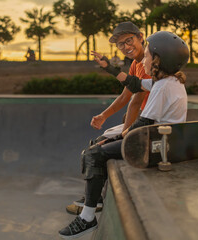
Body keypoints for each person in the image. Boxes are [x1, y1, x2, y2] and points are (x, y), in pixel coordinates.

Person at [58, 30, 189, 239]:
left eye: (146, 56)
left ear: (157, 60)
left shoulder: (163, 87)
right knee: (98, 148)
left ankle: (87, 218)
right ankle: (92, 204)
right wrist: (109, 66)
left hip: (154, 144)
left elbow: (142, 124)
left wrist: (118, 138)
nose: (143, 61)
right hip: (160, 140)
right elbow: (134, 84)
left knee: (94, 154)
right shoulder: (167, 82)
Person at [65, 21, 150, 215]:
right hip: (138, 121)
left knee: (97, 150)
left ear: (140, 37)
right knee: (95, 144)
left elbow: (135, 102)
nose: (126, 47)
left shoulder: (147, 62)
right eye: (121, 44)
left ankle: (93, 202)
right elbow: (125, 96)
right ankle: (93, 198)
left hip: (146, 124)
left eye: (129, 40)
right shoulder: (136, 65)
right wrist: (104, 115)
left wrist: (125, 134)